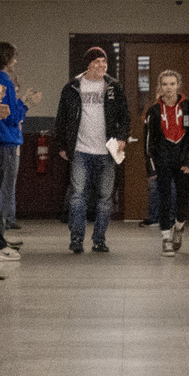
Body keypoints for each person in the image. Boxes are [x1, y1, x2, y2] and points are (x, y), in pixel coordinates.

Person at [55, 47, 130, 254]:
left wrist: (122, 137)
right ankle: (77, 238)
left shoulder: (114, 87)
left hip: (106, 150)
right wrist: (61, 145)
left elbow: (124, 115)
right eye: (96, 62)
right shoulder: (73, 87)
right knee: (77, 195)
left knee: (105, 197)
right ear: (88, 64)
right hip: (80, 149)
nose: (101, 66)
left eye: (104, 62)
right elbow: (62, 117)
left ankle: (99, 239)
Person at [143, 70, 189, 256]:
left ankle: (179, 226)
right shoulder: (154, 111)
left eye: (172, 84)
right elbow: (148, 141)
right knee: (165, 198)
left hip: (183, 160)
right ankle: (166, 237)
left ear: (178, 85)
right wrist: (151, 167)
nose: (169, 88)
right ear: (160, 86)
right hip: (162, 160)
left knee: (182, 198)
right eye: (165, 84)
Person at [0, 41, 41, 233]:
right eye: (13, 58)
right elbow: (11, 117)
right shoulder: (5, 81)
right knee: (4, 190)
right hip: (6, 139)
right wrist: (25, 105)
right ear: (7, 59)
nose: (15, 61)